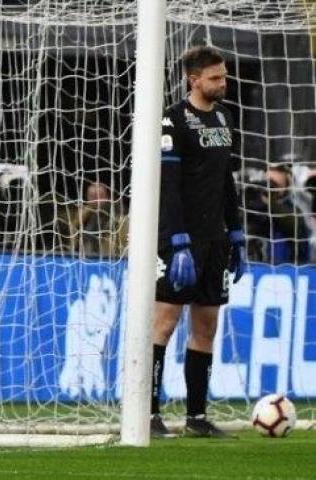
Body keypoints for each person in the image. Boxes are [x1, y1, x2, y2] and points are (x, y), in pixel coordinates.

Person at [150, 46, 245, 438]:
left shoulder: (225, 117)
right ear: (194, 79)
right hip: (179, 241)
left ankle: (196, 417)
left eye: (223, 77)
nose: (222, 84)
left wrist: (236, 233)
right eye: (215, 78)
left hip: (215, 239)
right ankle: (149, 414)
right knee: (165, 322)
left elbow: (226, 180)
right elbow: (168, 186)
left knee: (206, 326)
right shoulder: (172, 121)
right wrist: (176, 238)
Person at [243, 163, 310, 264]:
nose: (270, 187)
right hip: (253, 265)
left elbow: (294, 226)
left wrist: (270, 202)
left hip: (286, 269)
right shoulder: (254, 206)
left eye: (274, 184)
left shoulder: (294, 210)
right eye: (268, 182)